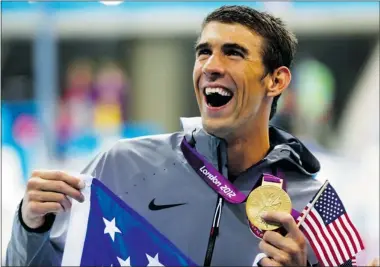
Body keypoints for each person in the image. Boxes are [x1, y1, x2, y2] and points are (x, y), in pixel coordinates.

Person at [4, 5, 370, 267]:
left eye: (233, 53)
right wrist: (30, 226)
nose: (211, 66)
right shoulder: (122, 165)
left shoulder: (316, 207)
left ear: (276, 80)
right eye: (203, 53)